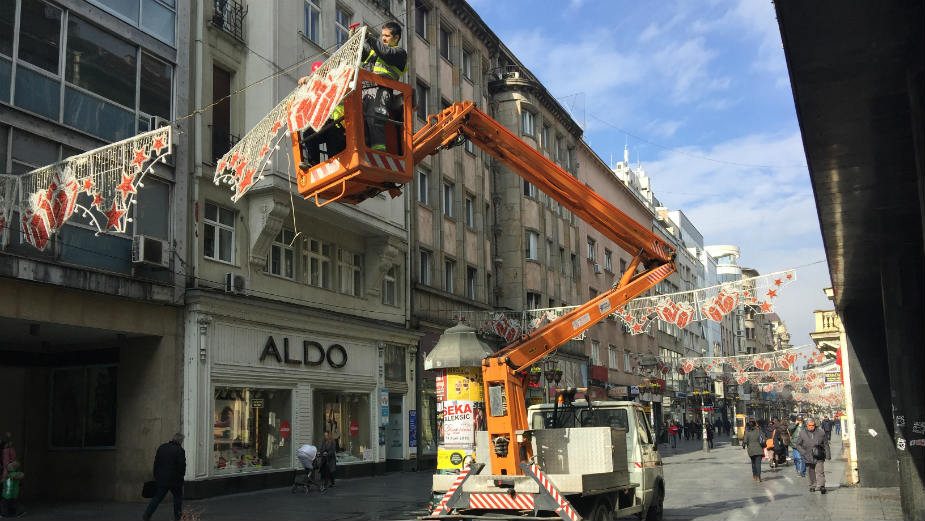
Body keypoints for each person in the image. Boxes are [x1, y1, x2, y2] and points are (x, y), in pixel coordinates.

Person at [359, 21, 408, 151]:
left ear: (396, 38)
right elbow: (362, 54)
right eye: (382, 35)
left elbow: (385, 53)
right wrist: (356, 40)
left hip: (382, 90)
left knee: (374, 118)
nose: (383, 38)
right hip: (365, 90)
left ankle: (379, 151)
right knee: (359, 120)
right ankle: (366, 147)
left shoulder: (399, 53)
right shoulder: (375, 51)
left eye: (387, 36)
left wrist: (369, 38)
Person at [143, 433, 186, 521]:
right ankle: (177, 517)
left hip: (162, 479)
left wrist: (156, 475)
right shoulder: (180, 450)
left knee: (157, 498)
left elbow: (156, 462)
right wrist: (181, 476)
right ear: (180, 441)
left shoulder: (162, 447)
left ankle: (147, 515)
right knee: (177, 498)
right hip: (175, 480)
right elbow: (182, 466)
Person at [796, 418, 831, 494]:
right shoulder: (802, 433)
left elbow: (826, 444)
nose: (811, 427)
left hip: (819, 454)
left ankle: (822, 486)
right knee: (810, 471)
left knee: (820, 471)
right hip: (807, 455)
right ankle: (813, 485)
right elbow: (798, 445)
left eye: (813, 425)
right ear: (807, 425)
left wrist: (828, 454)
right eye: (810, 425)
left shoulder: (821, 432)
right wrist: (803, 452)